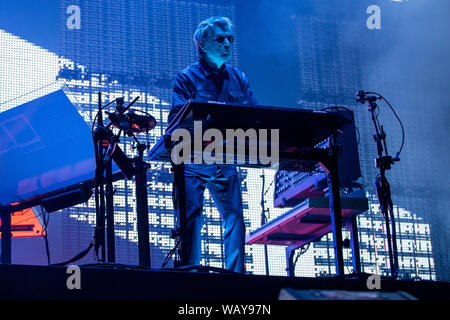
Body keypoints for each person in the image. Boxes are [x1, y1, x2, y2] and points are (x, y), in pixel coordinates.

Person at [167, 16, 257, 273]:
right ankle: (191, 277)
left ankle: (235, 277)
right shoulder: (186, 78)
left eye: (230, 39)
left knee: (235, 218)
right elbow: (176, 123)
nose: (228, 44)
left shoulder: (239, 78)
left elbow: (256, 117)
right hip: (193, 162)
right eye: (220, 39)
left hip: (225, 162)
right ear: (202, 44)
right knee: (191, 218)